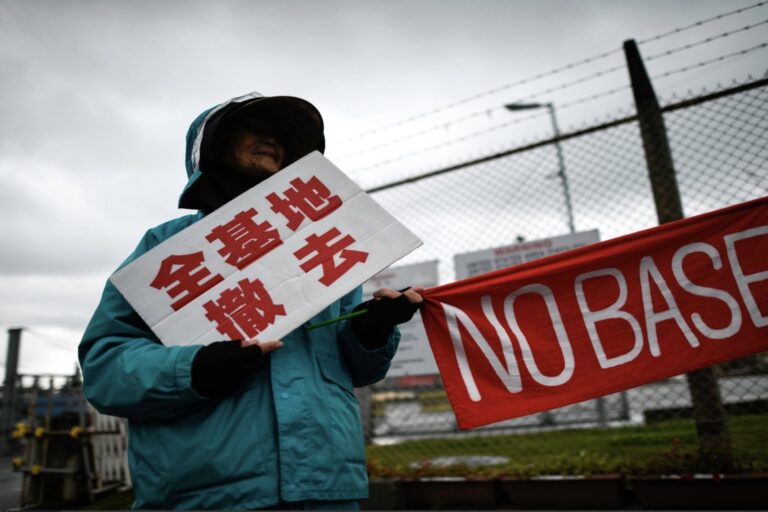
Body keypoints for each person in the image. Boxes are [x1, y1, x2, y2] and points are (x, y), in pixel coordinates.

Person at [79, 92, 423, 510]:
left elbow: (359, 370)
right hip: (207, 496)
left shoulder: (322, 249)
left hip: (328, 488)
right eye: (255, 129)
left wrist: (370, 331)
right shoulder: (166, 248)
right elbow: (105, 366)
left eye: (281, 135)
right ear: (212, 148)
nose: (271, 139)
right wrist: (195, 370)